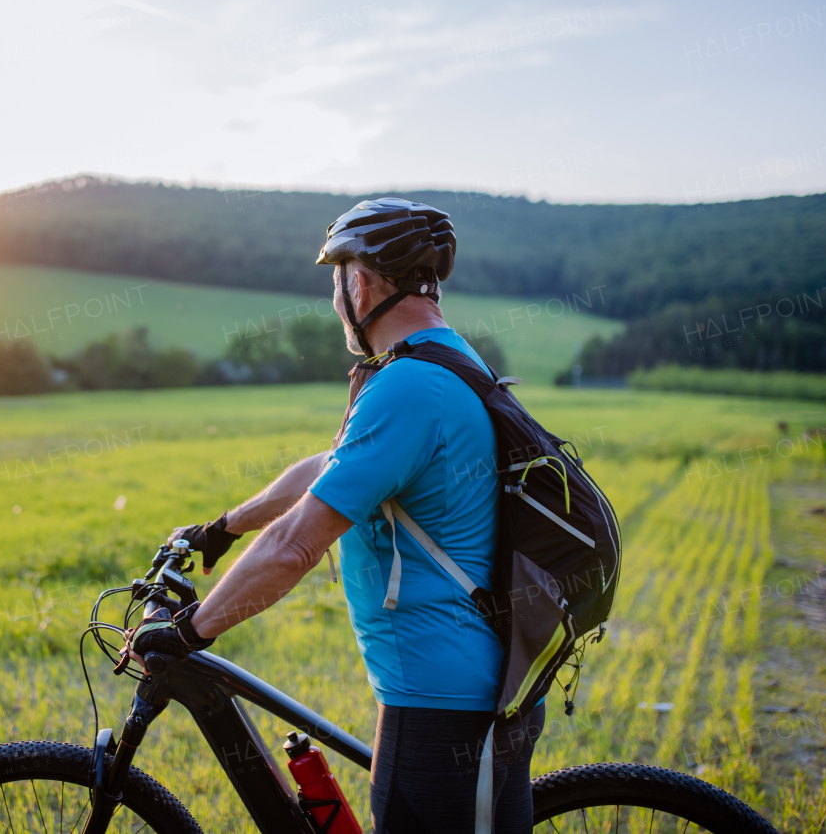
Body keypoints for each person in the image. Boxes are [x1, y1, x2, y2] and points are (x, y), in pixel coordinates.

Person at [122, 198, 544, 833]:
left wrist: (190, 631)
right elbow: (335, 467)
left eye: (335, 278)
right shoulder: (446, 362)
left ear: (362, 281)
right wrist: (225, 527)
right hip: (487, 685)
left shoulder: (408, 387)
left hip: (440, 702)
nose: (334, 297)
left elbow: (296, 546)